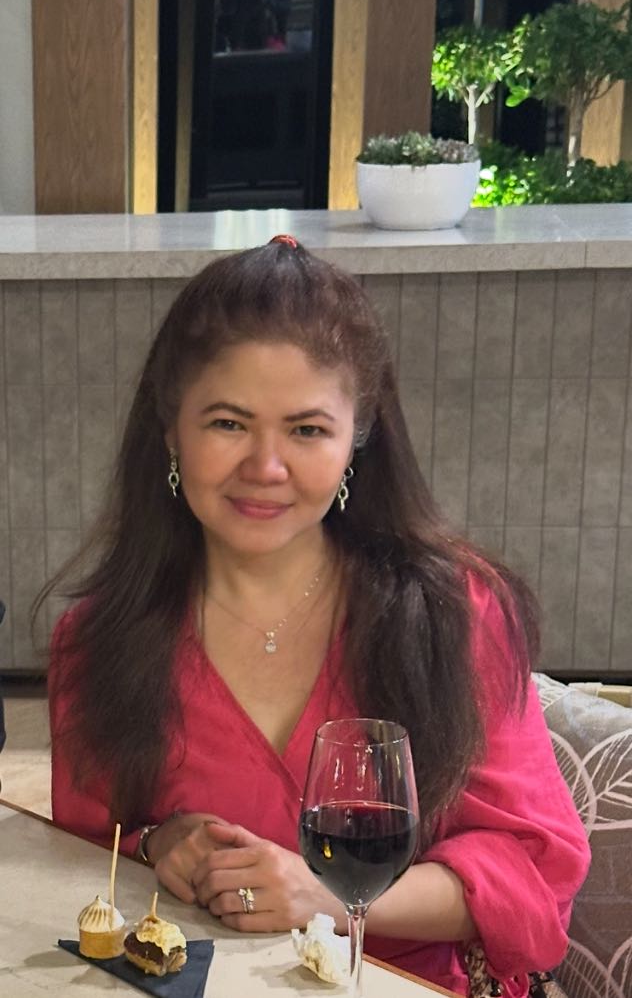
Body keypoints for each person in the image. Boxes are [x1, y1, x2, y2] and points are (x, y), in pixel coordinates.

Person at [42, 235, 590, 998]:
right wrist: (155, 844)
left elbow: (533, 877)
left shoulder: (457, 612)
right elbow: (73, 869)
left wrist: (332, 896)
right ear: (171, 429)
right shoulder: (97, 642)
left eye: (306, 430)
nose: (266, 467)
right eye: (228, 423)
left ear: (355, 440)